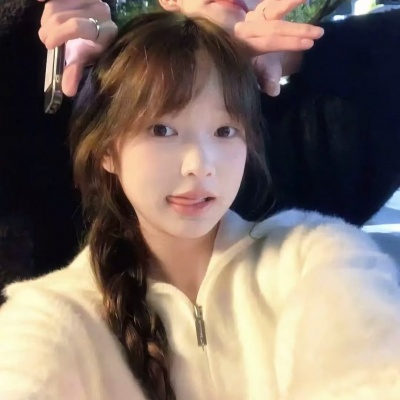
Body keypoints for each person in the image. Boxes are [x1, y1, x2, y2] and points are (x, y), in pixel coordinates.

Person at [1, 13, 400, 400]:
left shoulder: (313, 257)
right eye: (162, 129)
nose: (200, 165)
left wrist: (295, 51)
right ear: (106, 149)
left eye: (225, 131)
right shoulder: (57, 313)